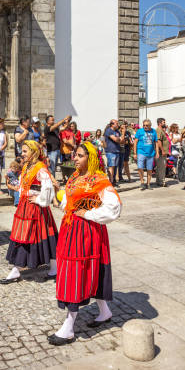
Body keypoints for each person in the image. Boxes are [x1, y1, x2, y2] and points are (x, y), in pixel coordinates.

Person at [48, 141, 121, 346]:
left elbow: (115, 207)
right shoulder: (74, 176)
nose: (75, 158)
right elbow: (67, 204)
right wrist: (57, 192)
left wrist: (88, 214)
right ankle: (105, 311)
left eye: (80, 155)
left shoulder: (99, 179)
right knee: (85, 270)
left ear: (90, 158)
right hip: (71, 229)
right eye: (75, 155)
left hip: (87, 232)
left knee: (76, 273)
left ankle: (69, 327)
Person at [1, 140, 58, 284]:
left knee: (38, 235)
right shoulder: (26, 165)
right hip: (25, 205)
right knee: (28, 235)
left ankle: (53, 268)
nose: (22, 153)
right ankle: (19, 268)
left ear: (33, 152)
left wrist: (40, 200)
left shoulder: (40, 168)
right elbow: (23, 184)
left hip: (35, 207)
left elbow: (48, 188)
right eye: (22, 150)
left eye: (25, 151)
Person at [133, 119, 159, 190]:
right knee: (140, 167)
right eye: (144, 125)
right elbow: (135, 142)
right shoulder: (139, 131)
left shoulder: (153, 131)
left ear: (150, 125)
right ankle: (142, 182)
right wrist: (135, 153)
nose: (145, 126)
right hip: (141, 152)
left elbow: (156, 142)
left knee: (149, 169)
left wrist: (157, 152)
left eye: (147, 125)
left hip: (150, 153)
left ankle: (148, 184)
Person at [103, 120, 121, 185]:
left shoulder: (117, 131)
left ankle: (113, 181)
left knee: (115, 167)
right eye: (117, 123)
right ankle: (110, 181)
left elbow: (121, 140)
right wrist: (118, 139)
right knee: (111, 166)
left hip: (117, 151)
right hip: (110, 151)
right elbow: (116, 139)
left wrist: (119, 139)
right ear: (112, 124)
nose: (118, 124)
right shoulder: (109, 131)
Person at [156, 118, 169, 187]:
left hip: (162, 152)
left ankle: (159, 181)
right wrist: (163, 150)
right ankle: (161, 182)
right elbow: (159, 141)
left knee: (160, 167)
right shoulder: (159, 130)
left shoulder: (161, 130)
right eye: (164, 122)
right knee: (162, 167)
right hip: (161, 153)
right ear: (160, 123)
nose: (165, 123)